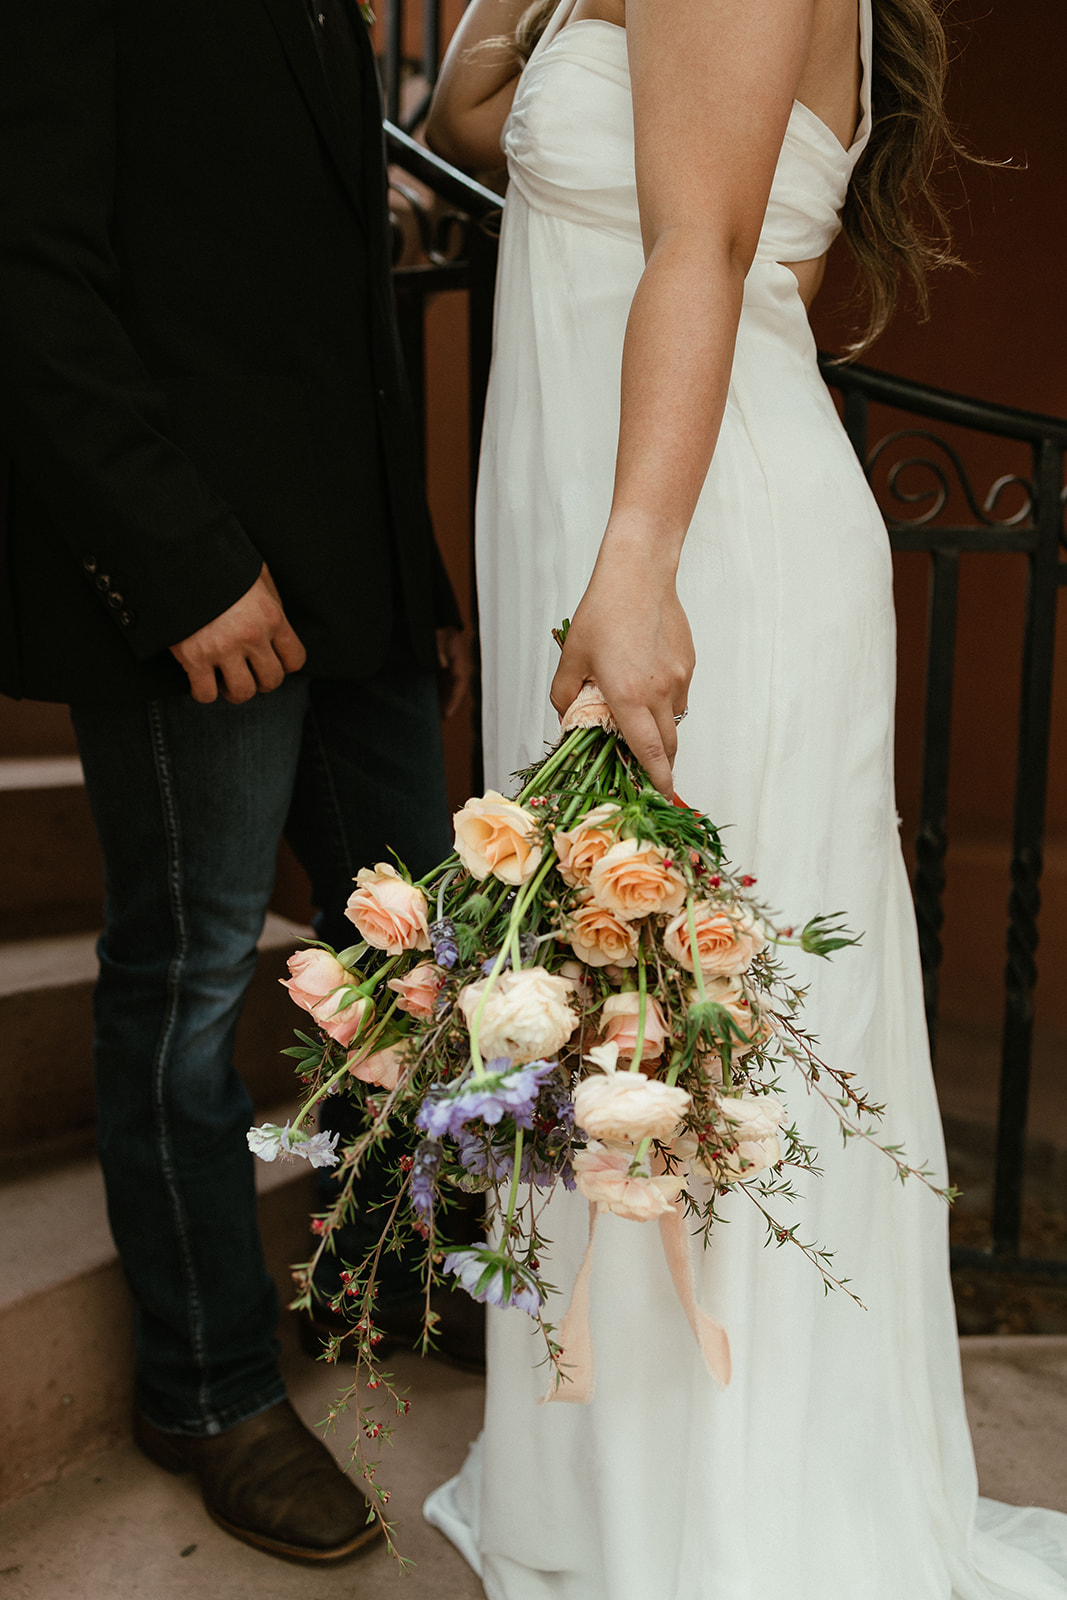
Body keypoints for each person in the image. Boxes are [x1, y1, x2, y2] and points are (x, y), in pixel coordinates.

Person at [421, 1, 1067, 1596]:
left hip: (696, 548)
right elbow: (471, 119)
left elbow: (701, 245)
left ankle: (740, 1526)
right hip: (605, 525)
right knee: (590, 1026)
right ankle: (613, 1491)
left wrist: (637, 566)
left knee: (710, 1049)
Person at [0, 0, 471, 1567]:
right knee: (188, 983)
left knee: (421, 951)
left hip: (358, 585)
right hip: (194, 592)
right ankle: (204, 1388)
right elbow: (27, 274)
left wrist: (410, 586)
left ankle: (405, 1269)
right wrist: (183, 564)